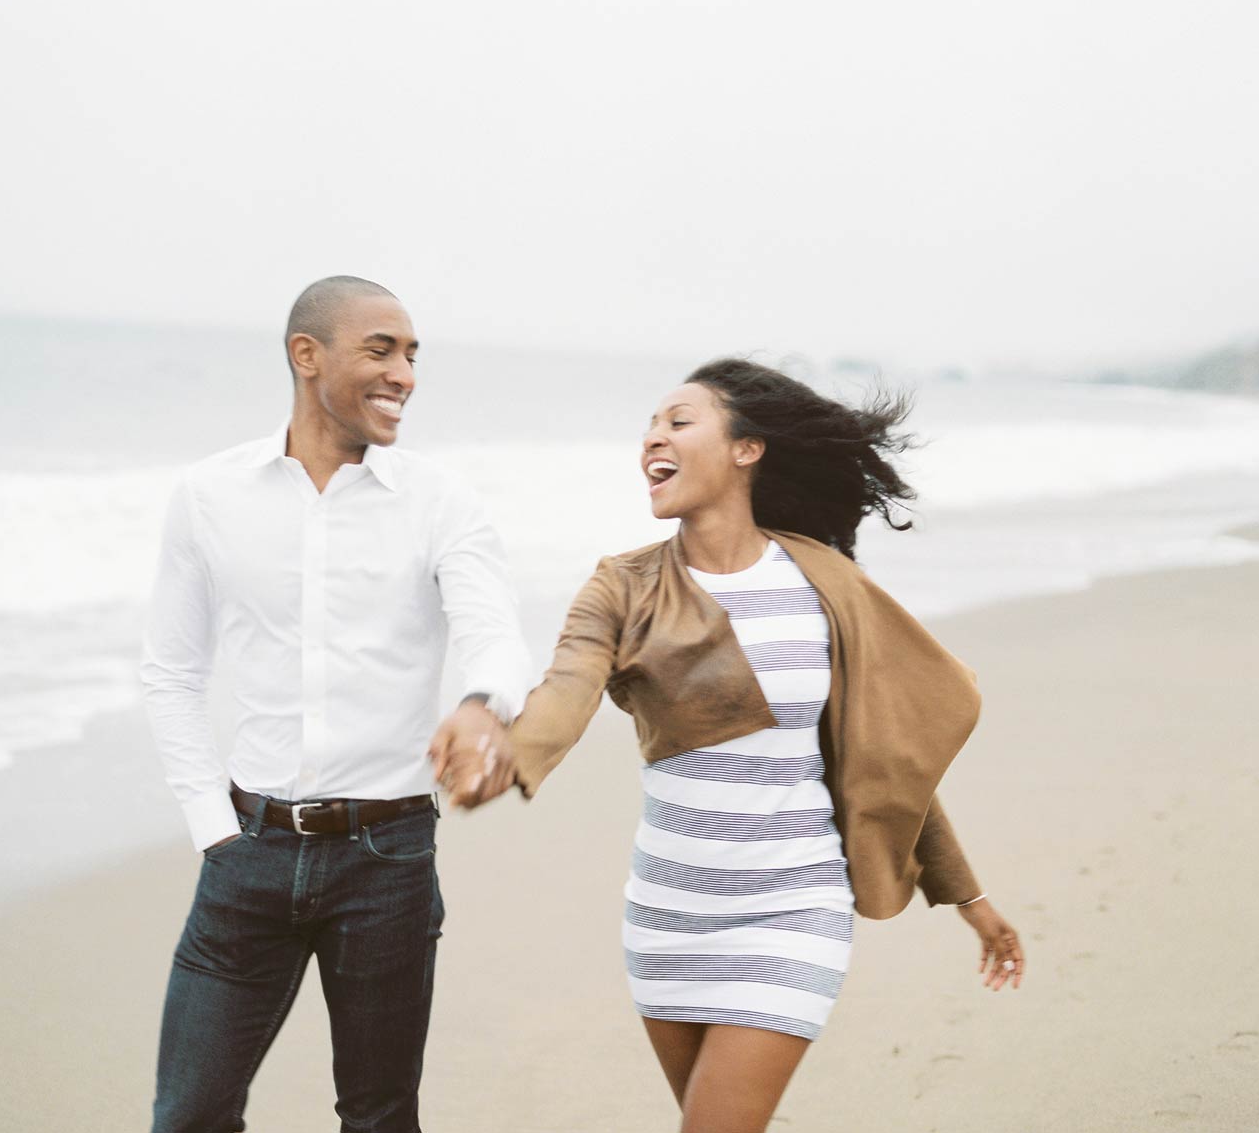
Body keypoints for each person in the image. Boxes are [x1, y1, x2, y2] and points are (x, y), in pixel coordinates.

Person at [433, 358, 1023, 1132]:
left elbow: (882, 763)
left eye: (679, 421)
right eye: (648, 426)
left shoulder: (826, 585)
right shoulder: (621, 586)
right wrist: (508, 747)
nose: (653, 438)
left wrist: (967, 896)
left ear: (748, 448)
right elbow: (567, 688)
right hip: (669, 914)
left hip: (793, 907)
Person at [141, 275, 528, 1133]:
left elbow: (494, 631)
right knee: (189, 1115)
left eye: (414, 354)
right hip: (246, 856)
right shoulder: (210, 496)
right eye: (382, 349)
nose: (405, 374)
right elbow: (171, 671)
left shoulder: (439, 500)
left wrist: (479, 702)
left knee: (379, 1118)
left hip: (385, 859)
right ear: (305, 355)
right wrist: (213, 823)